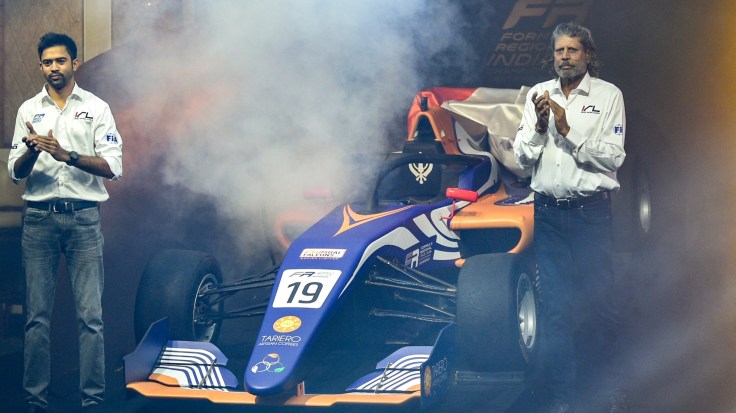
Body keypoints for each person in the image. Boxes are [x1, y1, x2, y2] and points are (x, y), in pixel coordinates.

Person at [512, 23, 627, 413]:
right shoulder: (538, 94)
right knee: (556, 310)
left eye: (572, 50)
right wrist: (540, 128)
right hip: (547, 215)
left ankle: (611, 390)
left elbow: (613, 156)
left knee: (601, 305)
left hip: (589, 214)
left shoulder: (608, 95)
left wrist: (567, 129)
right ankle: (563, 396)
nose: (564, 56)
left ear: (588, 55)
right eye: (559, 50)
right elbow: (522, 157)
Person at [7, 32, 122, 413]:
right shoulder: (28, 110)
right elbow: (15, 174)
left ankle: (93, 400)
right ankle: (35, 401)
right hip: (38, 221)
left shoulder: (97, 108)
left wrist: (66, 154)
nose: (54, 67)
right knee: (36, 318)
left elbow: (113, 167)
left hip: (84, 220)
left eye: (60, 61)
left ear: (74, 63)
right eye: (47, 62)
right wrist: (32, 151)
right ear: (40, 66)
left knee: (91, 318)